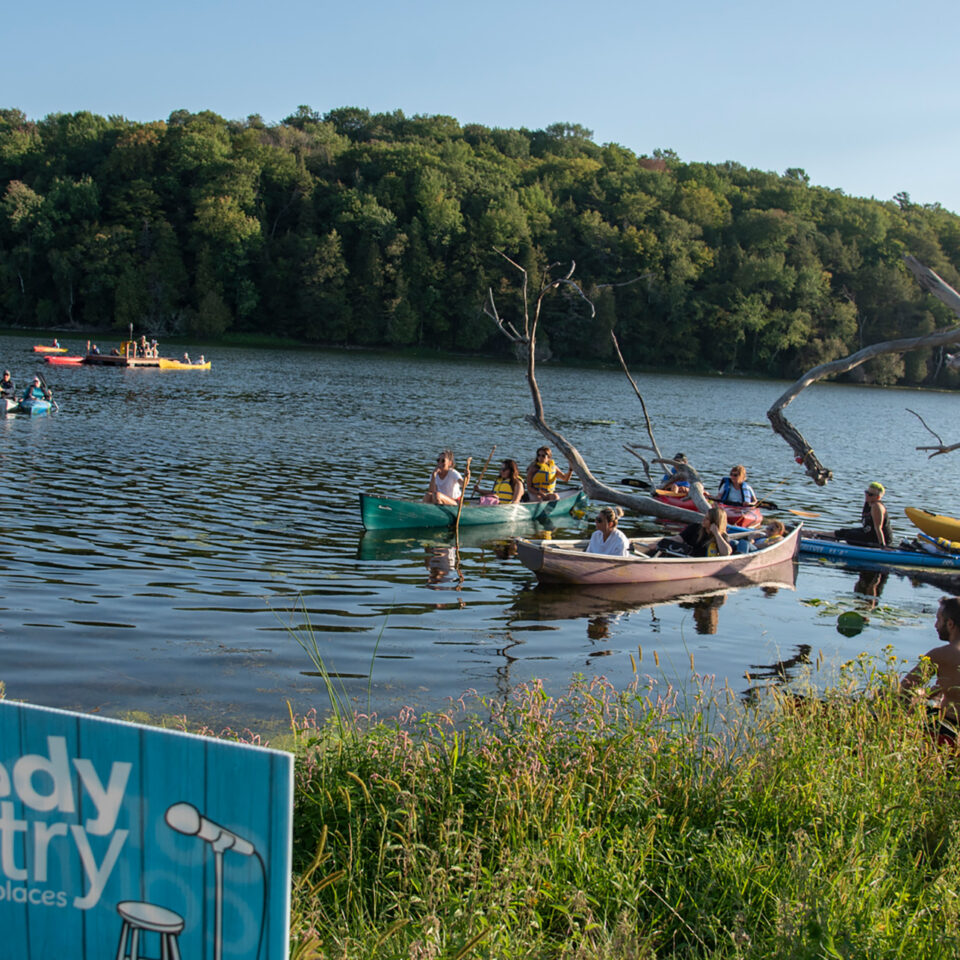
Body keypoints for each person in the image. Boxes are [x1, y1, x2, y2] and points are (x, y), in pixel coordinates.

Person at [901, 597, 960, 730]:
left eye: (939, 619)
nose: (935, 625)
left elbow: (905, 688)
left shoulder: (942, 655)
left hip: (950, 729)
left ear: (950, 624)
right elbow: (947, 685)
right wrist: (927, 693)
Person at [834, 481, 892, 546]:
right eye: (866, 492)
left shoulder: (876, 506)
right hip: (869, 533)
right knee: (843, 532)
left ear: (878, 497)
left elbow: (878, 528)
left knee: (850, 535)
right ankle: (821, 536)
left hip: (879, 539)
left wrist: (883, 546)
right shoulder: (868, 503)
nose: (867, 495)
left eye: (870, 494)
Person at [665, 505, 733, 557]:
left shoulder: (722, 536)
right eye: (704, 517)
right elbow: (679, 538)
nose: (703, 520)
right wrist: (663, 542)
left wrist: (717, 534)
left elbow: (726, 553)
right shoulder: (695, 527)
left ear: (714, 523)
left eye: (707, 519)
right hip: (686, 557)